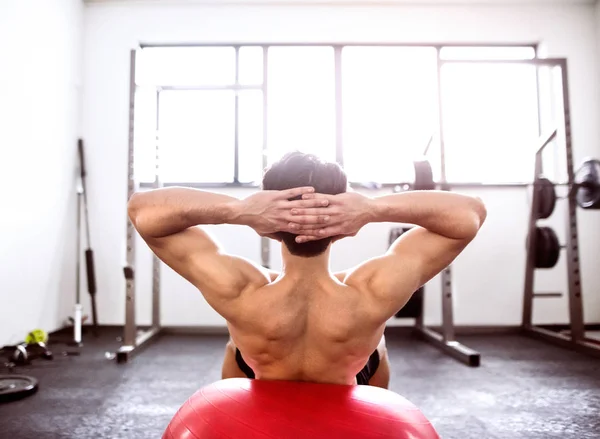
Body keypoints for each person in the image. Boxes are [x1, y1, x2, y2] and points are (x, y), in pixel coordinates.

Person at [127, 152, 486, 388]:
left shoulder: (238, 289)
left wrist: (240, 210)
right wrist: (370, 209)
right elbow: (470, 214)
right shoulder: (374, 291)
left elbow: (142, 211)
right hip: (349, 372)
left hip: (261, 367)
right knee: (379, 346)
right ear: (342, 216)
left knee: (234, 344)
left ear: (268, 219)